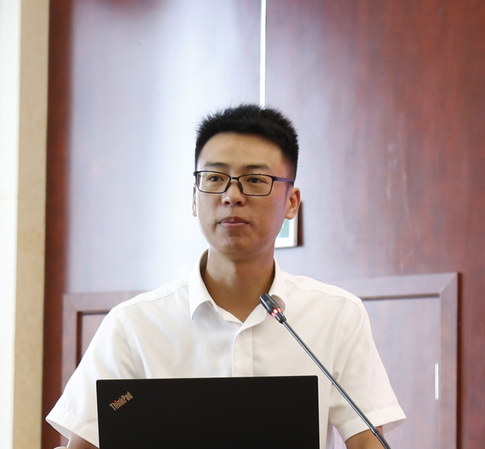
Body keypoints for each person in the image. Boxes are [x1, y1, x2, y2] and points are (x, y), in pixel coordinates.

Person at [47, 104, 405, 448]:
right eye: (215, 178)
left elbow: (367, 443)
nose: (232, 196)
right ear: (194, 197)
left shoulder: (337, 315)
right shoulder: (133, 326)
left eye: (255, 180)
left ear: (291, 202)